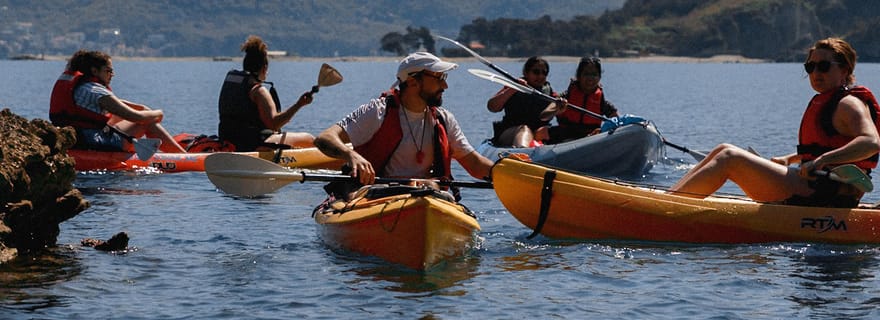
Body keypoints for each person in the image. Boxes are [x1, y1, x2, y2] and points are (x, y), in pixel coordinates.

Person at [669, 38, 880, 208]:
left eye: (824, 66)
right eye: (810, 66)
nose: (816, 73)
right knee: (723, 148)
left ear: (845, 71)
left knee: (729, 157)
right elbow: (825, 145)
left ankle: (669, 209)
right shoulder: (829, 101)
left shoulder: (849, 104)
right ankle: (669, 199)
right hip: (813, 185)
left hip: (825, 193)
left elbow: (871, 142)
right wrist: (790, 158)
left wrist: (820, 161)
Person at [314, 52, 494, 199]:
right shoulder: (377, 111)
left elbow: (475, 165)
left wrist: (504, 169)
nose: (445, 85)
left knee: (431, 187)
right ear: (413, 81)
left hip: (426, 195)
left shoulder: (444, 119)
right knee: (427, 188)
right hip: (376, 194)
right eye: (439, 78)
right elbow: (324, 139)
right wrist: (351, 155)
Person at [49, 49, 186, 153]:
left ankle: (172, 149)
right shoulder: (96, 91)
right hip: (92, 141)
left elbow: (118, 106)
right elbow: (136, 117)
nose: (112, 74)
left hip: (82, 137)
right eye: (108, 70)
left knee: (127, 116)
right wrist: (158, 114)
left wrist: (143, 109)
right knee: (147, 122)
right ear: (94, 71)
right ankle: (182, 157)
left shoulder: (82, 87)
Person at [218, 35, 315, 152]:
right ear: (264, 68)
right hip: (252, 143)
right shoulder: (259, 91)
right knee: (309, 139)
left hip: (228, 138)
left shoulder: (234, 80)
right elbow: (274, 124)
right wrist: (299, 104)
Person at [487, 56, 563, 148]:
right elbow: (492, 107)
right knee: (524, 130)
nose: (541, 76)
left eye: (544, 73)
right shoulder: (513, 87)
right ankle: (521, 152)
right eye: (536, 72)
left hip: (536, 133)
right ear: (526, 73)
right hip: (511, 132)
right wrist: (513, 89)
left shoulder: (549, 92)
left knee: (551, 131)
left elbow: (551, 113)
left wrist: (560, 106)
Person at [551, 57, 619, 142]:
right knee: (542, 131)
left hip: (591, 138)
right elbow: (544, 116)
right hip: (566, 136)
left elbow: (618, 122)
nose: (590, 78)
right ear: (579, 76)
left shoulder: (602, 101)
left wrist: (604, 130)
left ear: (599, 77)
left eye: (594, 74)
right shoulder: (565, 96)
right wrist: (556, 109)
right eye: (586, 74)